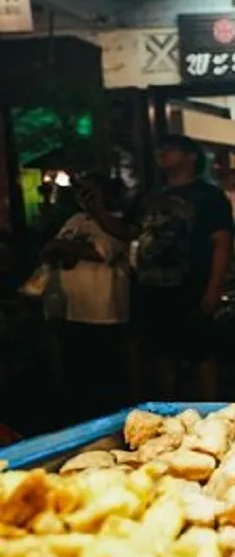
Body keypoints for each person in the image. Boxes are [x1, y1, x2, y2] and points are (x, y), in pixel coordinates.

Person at [132, 135, 234, 401]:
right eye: (161, 148)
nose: (162, 153)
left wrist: (213, 289)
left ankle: (209, 408)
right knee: (160, 352)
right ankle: (168, 407)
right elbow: (130, 231)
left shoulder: (209, 196)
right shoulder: (150, 196)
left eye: (170, 149)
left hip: (191, 285)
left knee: (200, 351)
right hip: (152, 286)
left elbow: (221, 242)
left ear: (191, 157)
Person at [42, 175, 131, 425]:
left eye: (91, 192)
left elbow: (103, 252)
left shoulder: (116, 222)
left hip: (104, 312)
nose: (85, 198)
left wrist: (62, 247)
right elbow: (52, 248)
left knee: (105, 376)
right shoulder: (75, 220)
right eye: (82, 193)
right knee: (77, 375)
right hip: (72, 309)